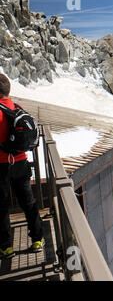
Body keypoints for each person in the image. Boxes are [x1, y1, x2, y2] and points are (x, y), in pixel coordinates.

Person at [0, 74, 44, 259]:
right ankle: (37, 239)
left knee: (1, 206)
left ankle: (6, 247)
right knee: (28, 202)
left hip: (1, 166)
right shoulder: (17, 108)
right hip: (21, 162)